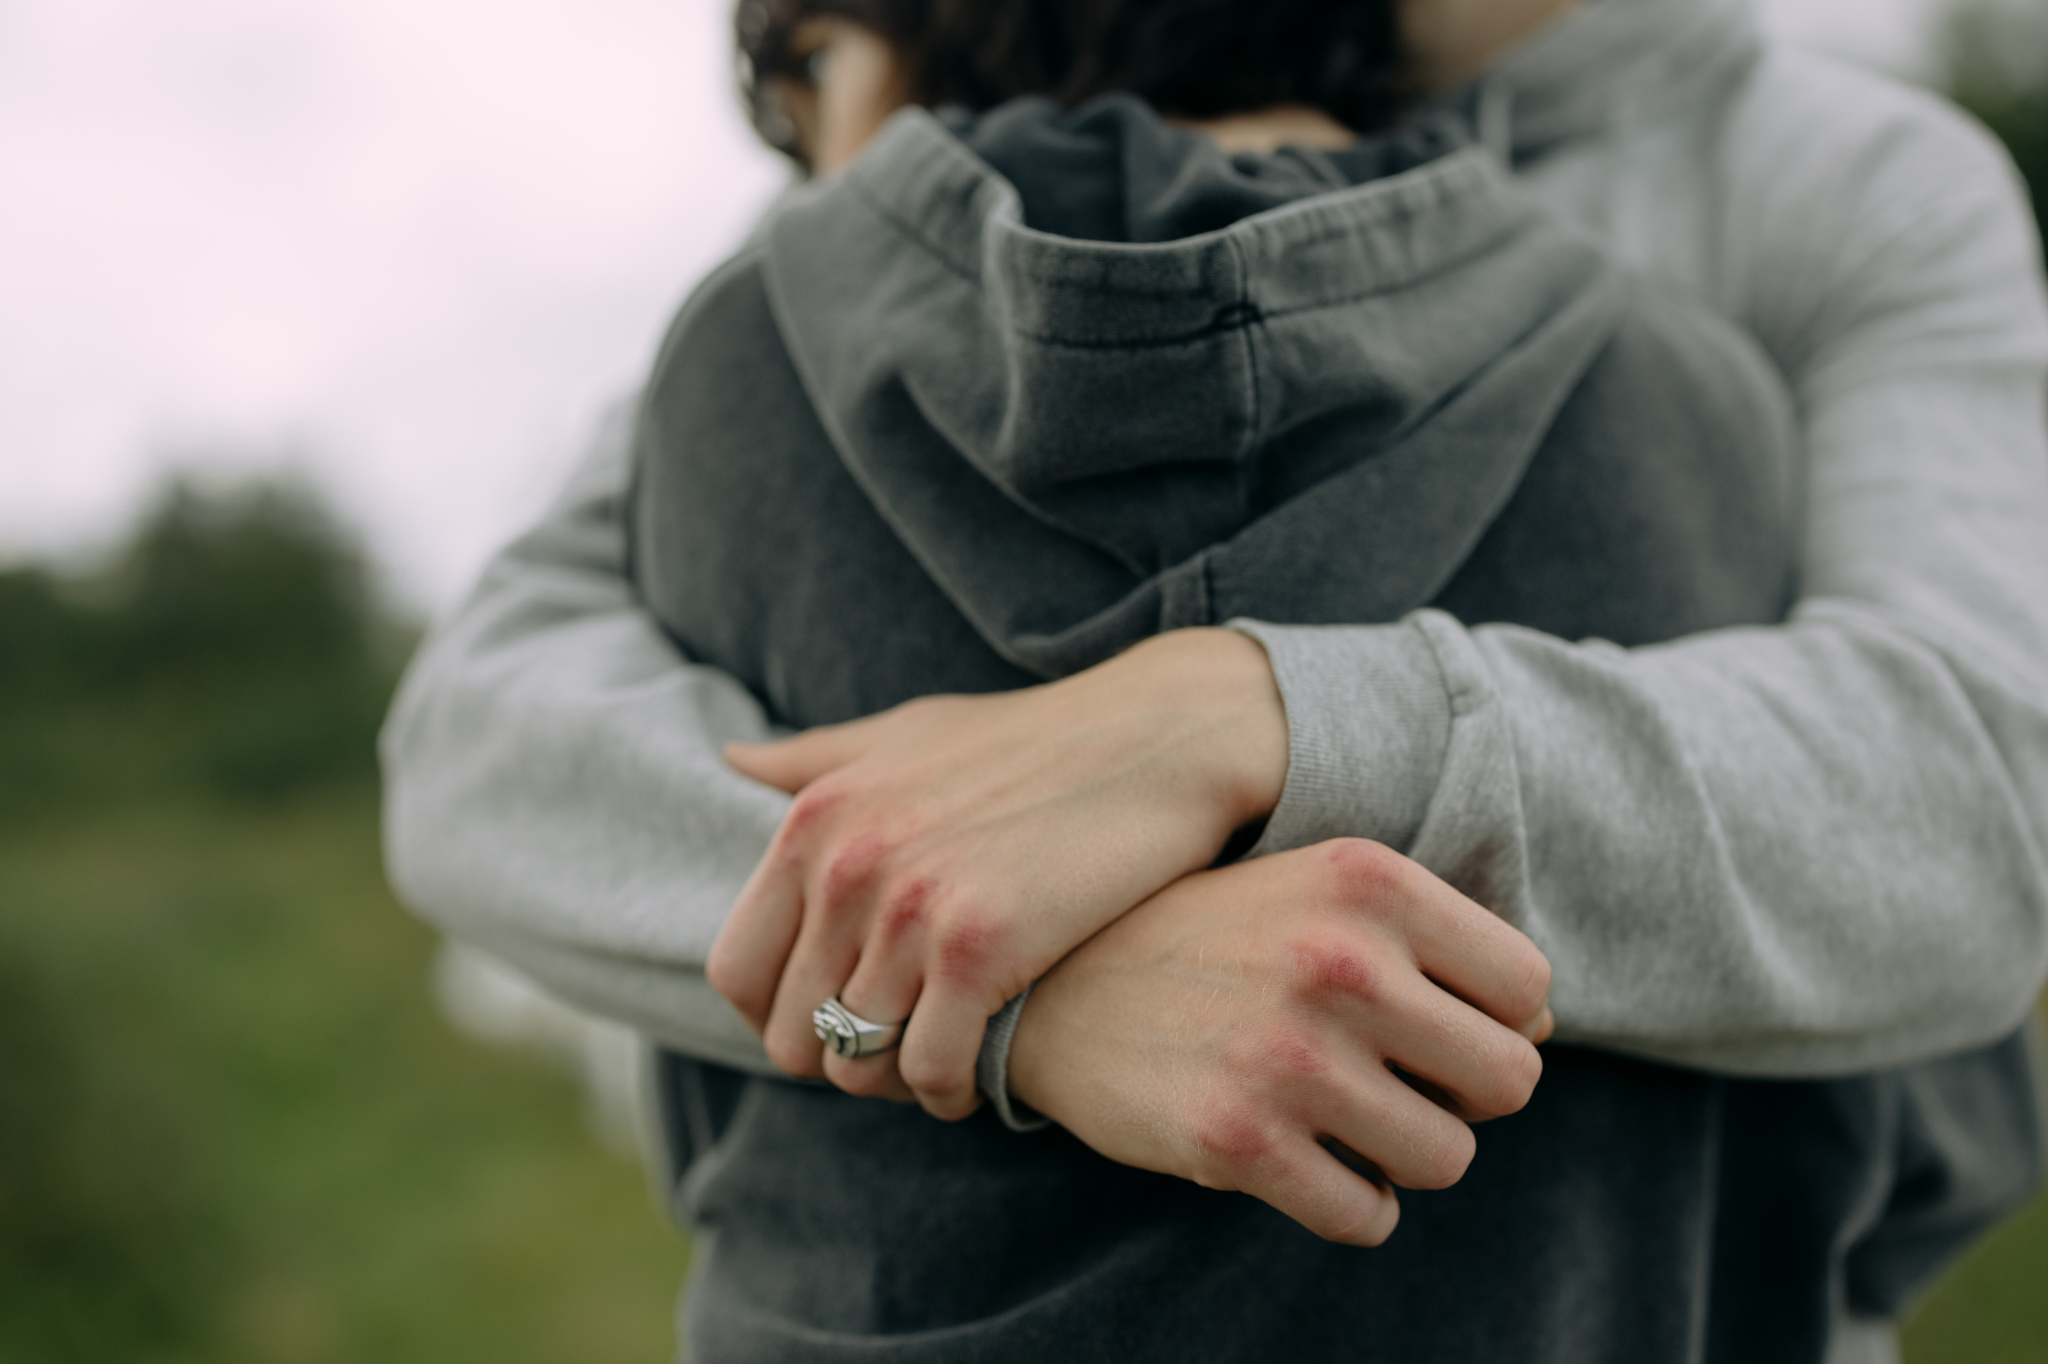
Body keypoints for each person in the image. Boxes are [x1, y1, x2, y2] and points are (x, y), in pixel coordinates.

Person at [381, 0, 2048, 1359]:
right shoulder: (830, 263)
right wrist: (1013, 986)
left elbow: (1974, 815)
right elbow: (481, 742)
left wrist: (1250, 716)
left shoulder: (1839, 187)